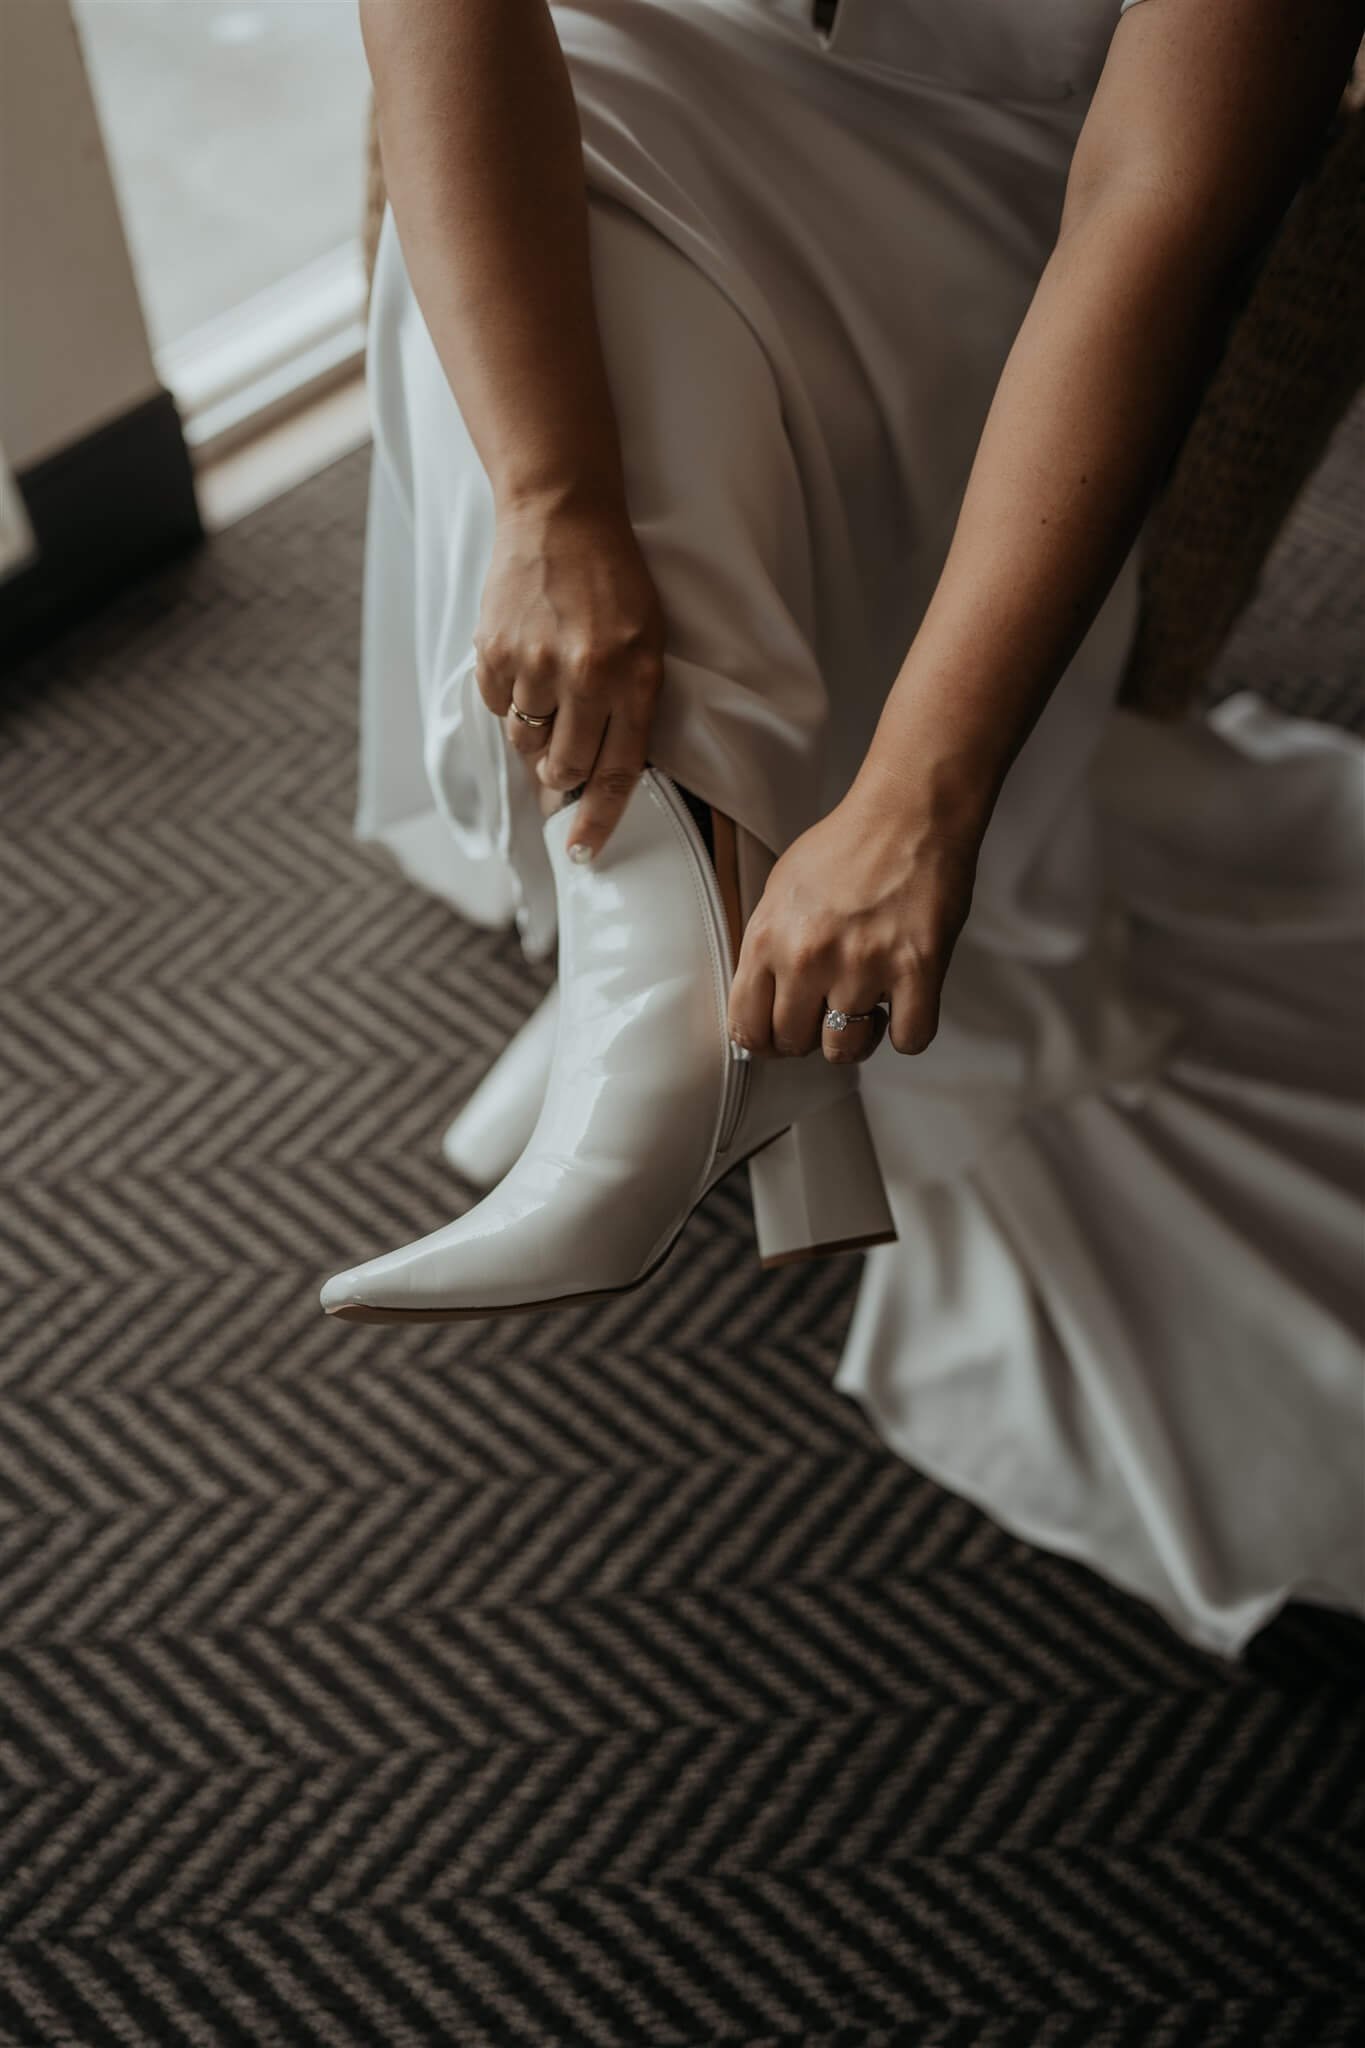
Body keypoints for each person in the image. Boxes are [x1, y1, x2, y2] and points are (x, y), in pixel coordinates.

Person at [324, 0, 1365, 1656]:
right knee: (586, 234)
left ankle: (677, 983)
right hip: (610, 84)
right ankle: (674, 947)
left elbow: (1150, 210)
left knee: (647, 335)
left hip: (978, 218)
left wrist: (917, 800)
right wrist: (550, 503)